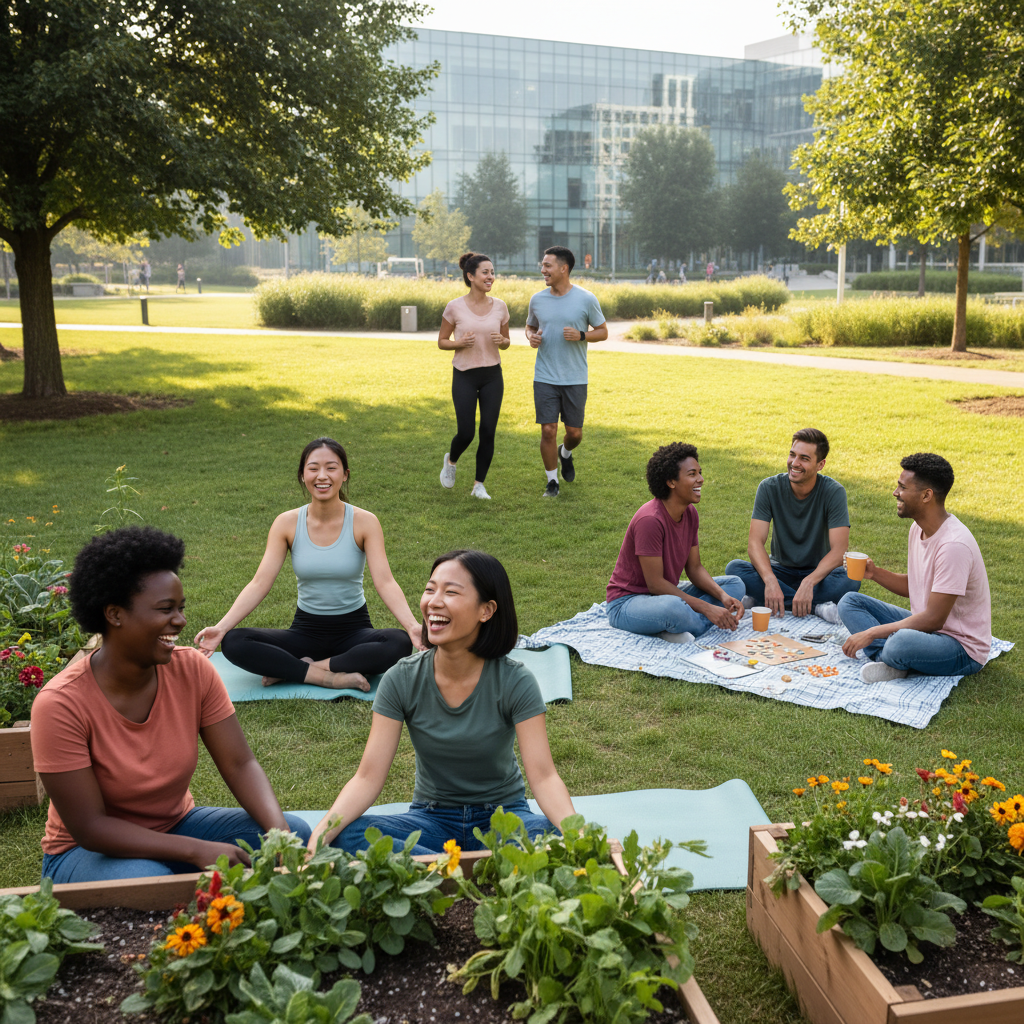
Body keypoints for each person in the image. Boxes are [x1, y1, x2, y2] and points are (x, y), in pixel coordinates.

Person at [30, 526, 312, 883]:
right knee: (147, 880)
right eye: (166, 609)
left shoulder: (191, 669)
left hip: (175, 825)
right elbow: (90, 827)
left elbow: (240, 763)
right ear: (115, 614)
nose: (179, 621)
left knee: (296, 831)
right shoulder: (60, 705)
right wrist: (196, 850)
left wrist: (279, 834)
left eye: (180, 608)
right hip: (86, 851)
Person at [308, 550, 576, 855]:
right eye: (430, 589)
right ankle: (470, 871)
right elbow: (368, 777)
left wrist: (577, 835)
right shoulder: (402, 678)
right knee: (349, 834)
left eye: (451, 592)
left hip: (503, 818)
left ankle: (438, 873)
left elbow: (544, 777)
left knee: (556, 837)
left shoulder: (515, 680)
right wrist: (322, 832)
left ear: (486, 611)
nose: (434, 601)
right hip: (430, 818)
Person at [196, 438, 422, 691]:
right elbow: (260, 583)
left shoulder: (365, 522)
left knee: (399, 642)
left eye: (331, 468)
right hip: (305, 631)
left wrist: (412, 626)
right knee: (235, 642)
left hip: (354, 631)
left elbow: (385, 582)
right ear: (303, 475)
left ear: (345, 475)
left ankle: (297, 668)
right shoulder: (287, 523)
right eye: (313, 468)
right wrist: (221, 628)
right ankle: (330, 676)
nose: (322, 476)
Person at [838, 453, 991, 683]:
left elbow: (933, 620)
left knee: (900, 642)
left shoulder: (953, 546)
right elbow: (917, 585)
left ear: (926, 495)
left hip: (961, 648)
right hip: (927, 633)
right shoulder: (917, 529)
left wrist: (871, 632)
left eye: (902, 487)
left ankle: (893, 657)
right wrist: (874, 573)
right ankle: (891, 660)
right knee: (850, 601)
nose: (895, 492)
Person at [606, 442, 745, 642]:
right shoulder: (650, 520)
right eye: (692, 474)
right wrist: (707, 608)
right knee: (674, 609)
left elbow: (695, 568)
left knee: (735, 585)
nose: (701, 479)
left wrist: (723, 597)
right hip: (628, 603)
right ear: (671, 482)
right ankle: (679, 623)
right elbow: (655, 585)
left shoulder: (690, 513)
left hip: (665, 595)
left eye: (700, 472)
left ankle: (681, 625)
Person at [726, 428, 860, 621]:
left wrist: (809, 582)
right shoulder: (769, 487)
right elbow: (755, 543)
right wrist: (770, 581)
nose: (794, 463)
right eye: (792, 455)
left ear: (820, 464)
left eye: (804, 458)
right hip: (780, 569)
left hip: (818, 574)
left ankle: (766, 600)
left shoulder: (834, 492)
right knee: (735, 569)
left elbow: (840, 550)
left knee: (851, 577)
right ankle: (816, 608)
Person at [525, 246, 608, 498]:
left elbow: (603, 331)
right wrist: (531, 337)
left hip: (574, 377)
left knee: (574, 433)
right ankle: (552, 482)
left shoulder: (586, 298)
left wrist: (582, 334)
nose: (543, 270)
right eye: (542, 265)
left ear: (564, 268)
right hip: (545, 376)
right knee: (548, 429)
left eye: (547, 266)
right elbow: (529, 326)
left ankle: (566, 453)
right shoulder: (537, 299)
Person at [437, 252, 511, 500]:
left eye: (492, 272)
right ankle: (452, 460)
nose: (491, 277)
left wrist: (503, 341)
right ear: (470, 276)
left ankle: (479, 485)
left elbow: (506, 342)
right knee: (467, 432)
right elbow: (442, 342)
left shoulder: (500, 306)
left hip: (492, 375)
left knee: (488, 431)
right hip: (464, 375)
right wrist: (459, 343)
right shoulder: (454, 307)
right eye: (485, 272)